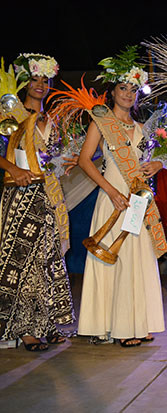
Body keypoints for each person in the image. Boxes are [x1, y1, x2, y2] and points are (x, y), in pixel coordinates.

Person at [77, 47, 165, 347]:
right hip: (113, 198)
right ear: (112, 92)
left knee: (138, 259)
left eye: (133, 89)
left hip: (138, 201)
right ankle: (116, 326)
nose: (128, 94)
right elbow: (85, 161)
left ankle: (139, 322)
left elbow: (153, 160)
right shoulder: (100, 123)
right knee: (117, 260)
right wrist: (111, 190)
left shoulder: (142, 128)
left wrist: (158, 164)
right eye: (123, 88)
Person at [0, 53, 74, 351]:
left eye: (45, 80)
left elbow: (53, 158)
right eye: (34, 79)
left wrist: (65, 162)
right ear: (24, 82)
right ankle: (25, 329)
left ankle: (48, 323)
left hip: (50, 197)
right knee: (23, 264)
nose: (40, 85)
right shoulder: (9, 114)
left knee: (49, 261)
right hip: (21, 197)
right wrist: (13, 169)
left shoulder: (52, 120)